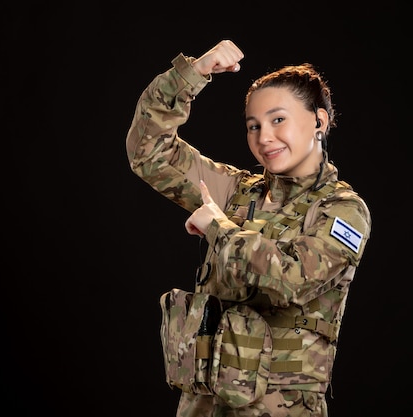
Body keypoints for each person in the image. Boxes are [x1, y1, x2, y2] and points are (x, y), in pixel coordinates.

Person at [125, 39, 372, 417]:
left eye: (278, 120)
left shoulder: (342, 210)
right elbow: (148, 151)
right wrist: (191, 74)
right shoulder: (236, 191)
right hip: (202, 405)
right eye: (253, 125)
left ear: (319, 121)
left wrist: (218, 228)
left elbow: (291, 281)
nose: (264, 137)